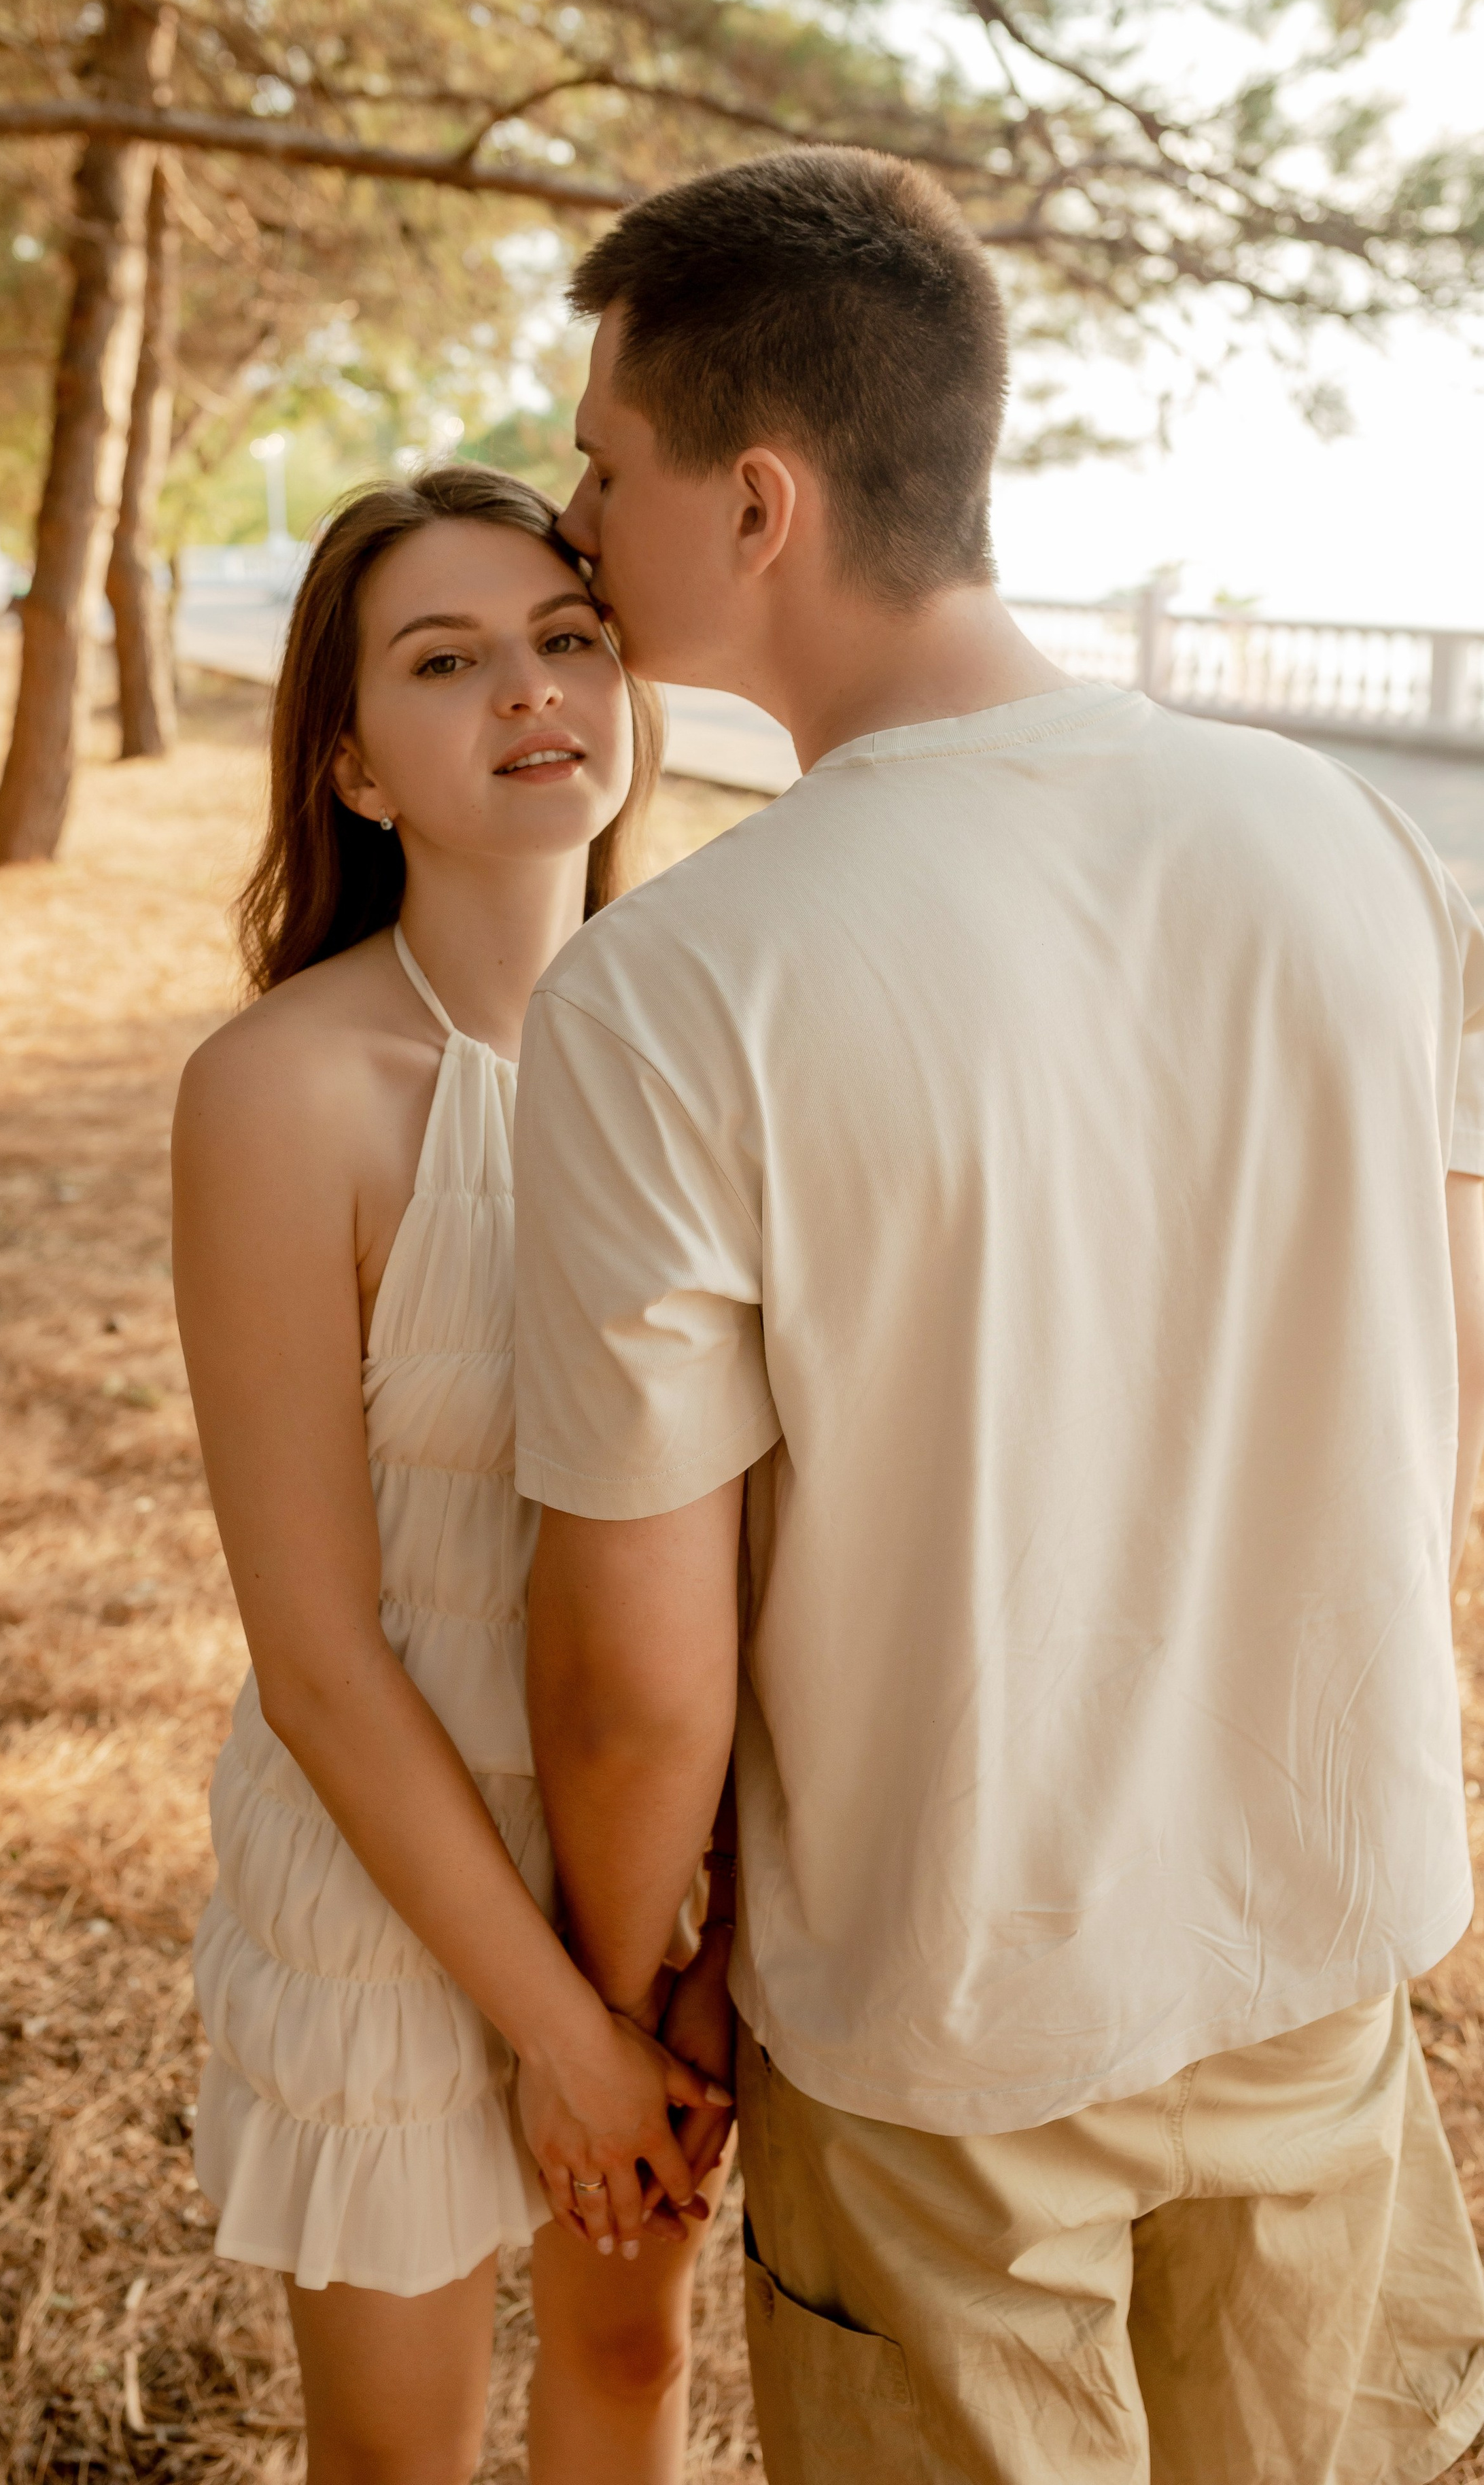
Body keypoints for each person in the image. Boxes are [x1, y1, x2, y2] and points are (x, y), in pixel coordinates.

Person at [513, 147, 1484, 2483]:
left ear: (757, 504)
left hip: (950, 2032)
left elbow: (638, 1686)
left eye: (603, 463)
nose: (571, 516)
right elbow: (1430, 1397)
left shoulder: (670, 994)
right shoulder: (1355, 847)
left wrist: (629, 2004)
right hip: (1323, 1946)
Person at [171, 464, 734, 2485]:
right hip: (386, 1870)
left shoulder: (711, 1043)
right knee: (399, 2462)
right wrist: (556, 2039)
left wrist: (688, 1954)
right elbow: (316, 1656)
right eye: (446, 661)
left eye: (568, 638)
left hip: (646, 1849)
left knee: (634, 2376)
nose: (529, 691)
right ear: (354, 764)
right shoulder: (285, 1089)